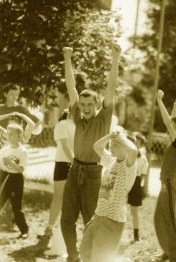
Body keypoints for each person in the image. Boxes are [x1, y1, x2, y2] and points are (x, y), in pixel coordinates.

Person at [61, 44, 121, 262]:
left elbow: (111, 87)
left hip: (94, 174)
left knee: (90, 221)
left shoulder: (103, 118)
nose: (85, 107)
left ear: (97, 105)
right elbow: (71, 86)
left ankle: (91, 258)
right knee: (66, 219)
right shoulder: (77, 116)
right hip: (74, 169)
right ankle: (73, 256)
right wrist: (67, 58)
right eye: (82, 104)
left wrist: (115, 57)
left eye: (89, 104)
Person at [79, 131, 138, 262]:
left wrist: (121, 138)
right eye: (111, 144)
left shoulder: (129, 166)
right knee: (84, 251)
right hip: (98, 215)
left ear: (125, 147)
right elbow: (97, 147)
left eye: (116, 145)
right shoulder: (111, 161)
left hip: (112, 220)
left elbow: (134, 152)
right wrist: (110, 136)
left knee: (99, 258)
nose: (111, 147)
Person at [154, 90, 176, 262]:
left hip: (169, 183)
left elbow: (168, 122)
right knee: (159, 218)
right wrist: (174, 106)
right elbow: (171, 123)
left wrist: (159, 100)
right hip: (166, 182)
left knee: (168, 219)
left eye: (174, 127)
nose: (169, 129)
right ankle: (168, 251)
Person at [38, 109, 75, 245]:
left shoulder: (83, 124)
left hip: (78, 165)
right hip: (63, 164)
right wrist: (74, 163)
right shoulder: (63, 124)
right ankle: (49, 229)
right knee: (58, 197)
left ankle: (66, 232)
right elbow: (65, 146)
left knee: (73, 200)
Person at [0, 123, 29, 238]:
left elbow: (21, 169)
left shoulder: (23, 151)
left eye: (11, 134)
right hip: (4, 177)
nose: (9, 136)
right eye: (8, 134)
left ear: (19, 136)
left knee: (16, 206)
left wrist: (11, 163)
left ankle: (24, 230)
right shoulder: (4, 150)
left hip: (16, 179)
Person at [0, 84, 39, 154]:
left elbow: (36, 122)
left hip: (15, 145)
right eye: (12, 94)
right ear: (5, 94)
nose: (15, 96)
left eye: (16, 94)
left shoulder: (21, 109)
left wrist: (23, 135)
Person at [127, 131, 149, 242]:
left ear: (141, 144)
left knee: (134, 211)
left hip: (135, 181)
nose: (134, 144)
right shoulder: (127, 153)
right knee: (118, 208)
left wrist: (141, 187)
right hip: (125, 180)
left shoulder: (142, 157)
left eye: (137, 142)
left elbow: (143, 174)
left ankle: (136, 235)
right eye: (133, 141)